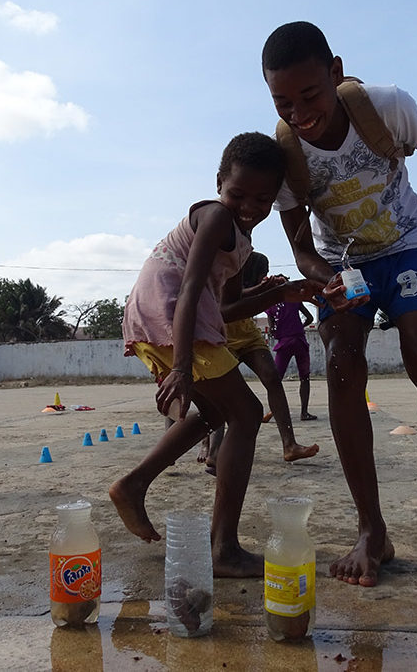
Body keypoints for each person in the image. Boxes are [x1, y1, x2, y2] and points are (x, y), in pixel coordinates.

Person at [261, 21, 417, 586]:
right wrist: (327, 278)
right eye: (283, 102)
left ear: (336, 72)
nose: (300, 114)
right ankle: (373, 529)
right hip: (341, 265)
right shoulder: (285, 152)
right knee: (344, 368)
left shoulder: (387, 107)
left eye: (310, 96)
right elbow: (299, 244)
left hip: (404, 247)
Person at [110, 132, 322, 578]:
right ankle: (222, 548)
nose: (248, 206)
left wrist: (286, 290)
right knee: (245, 412)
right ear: (219, 182)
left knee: (213, 414)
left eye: (263, 199)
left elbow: (225, 308)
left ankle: (133, 485)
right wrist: (183, 367)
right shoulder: (216, 216)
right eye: (238, 193)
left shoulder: (240, 240)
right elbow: (189, 288)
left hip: (167, 314)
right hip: (169, 312)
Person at [196, 251, 319, 475]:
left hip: (248, 335)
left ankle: (289, 444)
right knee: (220, 397)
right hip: (221, 336)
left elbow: (258, 301)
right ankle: (212, 451)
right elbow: (230, 302)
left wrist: (275, 287)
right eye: (262, 273)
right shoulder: (224, 276)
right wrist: (268, 289)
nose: (265, 275)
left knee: (272, 377)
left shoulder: (254, 283)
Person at [265, 290, 317, 421]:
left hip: (284, 343)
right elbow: (310, 318)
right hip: (299, 340)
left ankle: (273, 411)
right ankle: (304, 413)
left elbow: (272, 329)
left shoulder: (271, 304)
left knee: (275, 380)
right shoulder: (295, 300)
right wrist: (299, 326)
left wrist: (278, 329)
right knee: (304, 378)